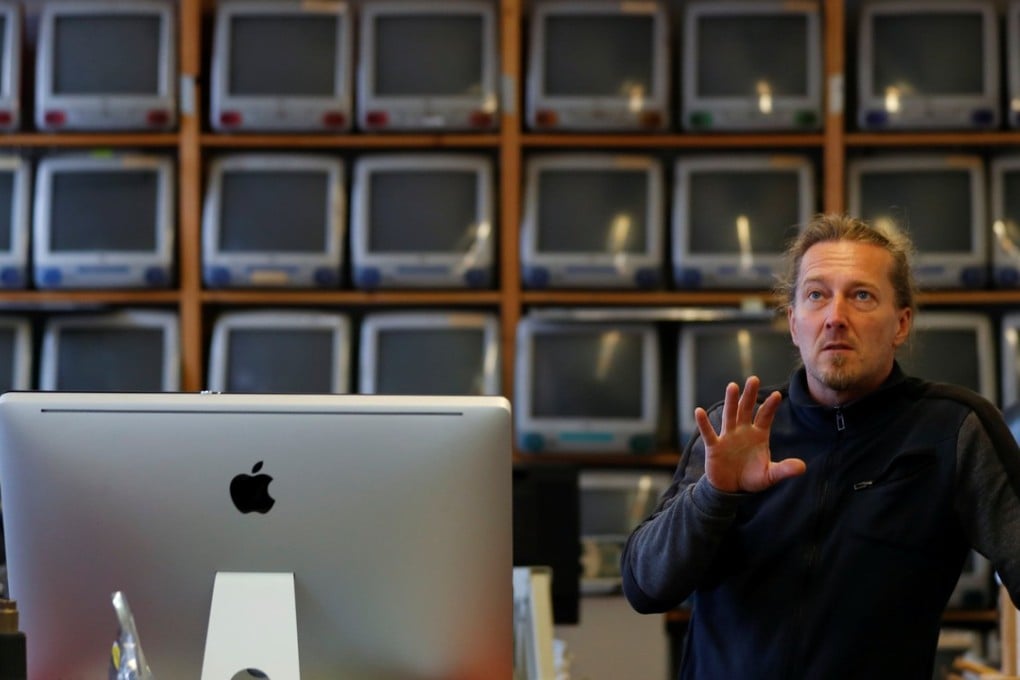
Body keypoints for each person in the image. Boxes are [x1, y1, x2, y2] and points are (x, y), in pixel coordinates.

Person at [621, 213, 1020, 679]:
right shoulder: (734, 429)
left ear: (901, 323)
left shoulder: (954, 429)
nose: (835, 317)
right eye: (816, 295)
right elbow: (645, 588)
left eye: (862, 296)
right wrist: (714, 494)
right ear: (794, 323)